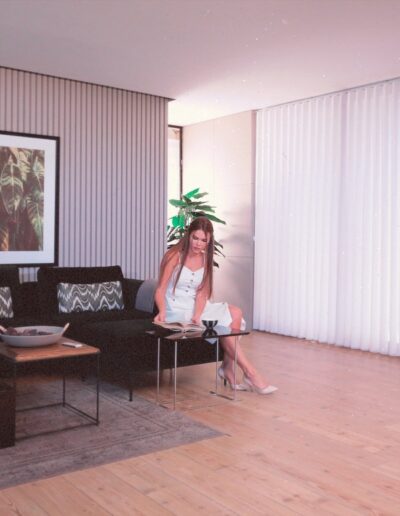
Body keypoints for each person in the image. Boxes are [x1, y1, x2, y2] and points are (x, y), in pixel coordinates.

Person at [154, 216, 277, 395]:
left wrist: (197, 315)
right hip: (176, 309)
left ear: (209, 241)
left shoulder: (205, 259)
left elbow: (202, 293)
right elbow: (160, 289)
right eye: (195, 238)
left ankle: (228, 367)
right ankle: (250, 373)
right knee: (226, 322)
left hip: (195, 307)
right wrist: (162, 311)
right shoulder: (174, 256)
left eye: (203, 240)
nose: (198, 244)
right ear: (189, 235)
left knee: (236, 313)